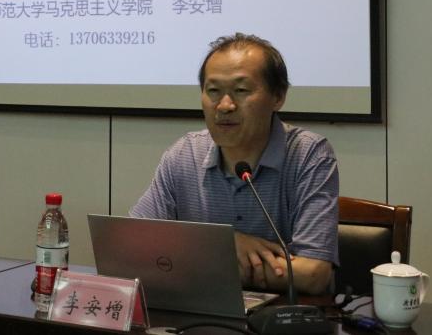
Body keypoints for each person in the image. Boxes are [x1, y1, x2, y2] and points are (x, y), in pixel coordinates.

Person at [130, 33, 338, 294]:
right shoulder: (185, 154)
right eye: (213, 91)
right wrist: (223, 246)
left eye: (241, 91)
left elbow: (314, 274)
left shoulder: (309, 155)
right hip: (198, 309)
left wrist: (192, 261)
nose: (224, 106)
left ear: (278, 96)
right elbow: (133, 248)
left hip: (281, 313)